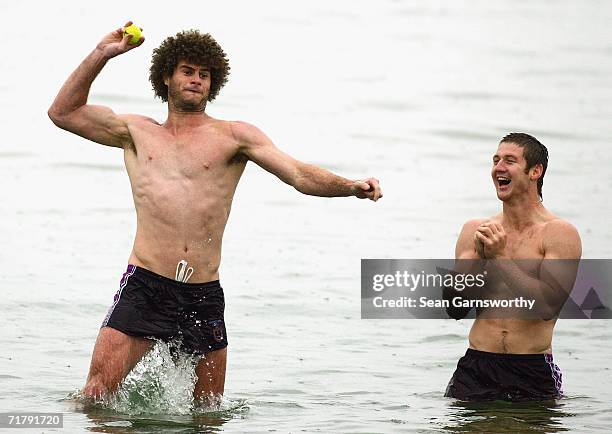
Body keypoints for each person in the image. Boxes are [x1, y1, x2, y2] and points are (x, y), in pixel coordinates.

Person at [47, 22, 382, 404]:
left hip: (203, 294)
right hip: (146, 285)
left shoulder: (235, 136)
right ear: (167, 78)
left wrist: (349, 187)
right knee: (96, 397)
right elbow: (63, 112)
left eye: (204, 74)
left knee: (208, 414)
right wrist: (102, 54)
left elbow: (299, 175)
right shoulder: (135, 132)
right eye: (187, 71)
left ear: (214, 82)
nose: (196, 80)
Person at [444, 132, 581, 401]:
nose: (498, 168)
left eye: (509, 160)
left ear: (535, 171)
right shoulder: (475, 230)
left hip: (530, 369)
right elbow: (455, 308)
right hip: (476, 368)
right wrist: (477, 263)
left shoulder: (558, 233)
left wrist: (499, 258)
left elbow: (546, 307)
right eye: (495, 160)